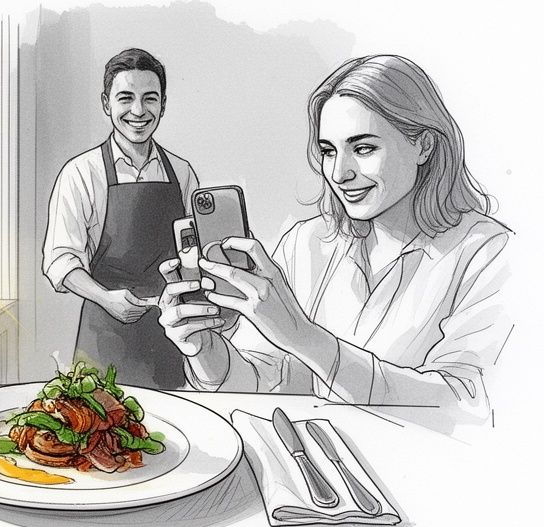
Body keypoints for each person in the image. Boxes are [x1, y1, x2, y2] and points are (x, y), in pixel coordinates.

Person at [157, 54, 510, 422]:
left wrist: (305, 338)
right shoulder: (306, 242)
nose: (339, 173)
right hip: (304, 469)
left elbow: (467, 407)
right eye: (328, 151)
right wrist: (205, 352)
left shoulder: (489, 252)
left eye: (364, 148)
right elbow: (263, 381)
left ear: (424, 146)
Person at [43, 48, 200, 389]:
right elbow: (59, 261)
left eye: (150, 98)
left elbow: (192, 254)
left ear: (163, 104)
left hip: (170, 335)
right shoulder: (81, 173)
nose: (139, 111)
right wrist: (104, 297)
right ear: (106, 104)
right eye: (126, 98)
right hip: (103, 337)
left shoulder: (183, 173)